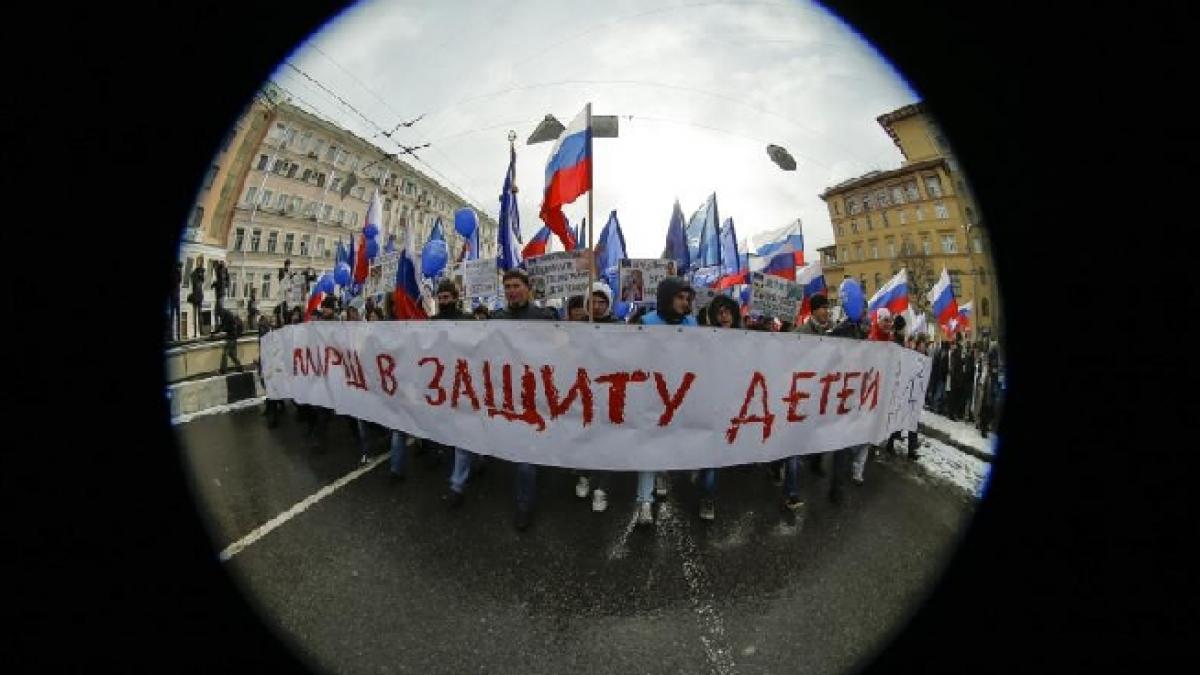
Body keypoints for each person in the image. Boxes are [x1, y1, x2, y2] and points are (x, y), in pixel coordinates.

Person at [476, 270, 557, 531]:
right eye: (508, 286)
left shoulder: (544, 318)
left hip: (536, 395)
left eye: (516, 286)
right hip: (507, 395)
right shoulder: (497, 318)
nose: (512, 290)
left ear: (528, 288)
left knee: (525, 457)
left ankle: (524, 508)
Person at [630, 276, 697, 525]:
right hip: (651, 393)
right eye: (679, 297)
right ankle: (644, 501)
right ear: (666, 298)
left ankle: (661, 473)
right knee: (648, 444)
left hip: (680, 394)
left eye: (687, 298)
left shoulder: (692, 323)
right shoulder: (646, 322)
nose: (684, 302)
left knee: (668, 441)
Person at [571, 282, 620, 513]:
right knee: (584, 436)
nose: (598, 306)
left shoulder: (619, 327)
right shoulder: (576, 327)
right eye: (594, 302)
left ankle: (602, 488)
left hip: (609, 393)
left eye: (602, 302)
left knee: (607, 442)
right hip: (582, 392)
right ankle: (584, 475)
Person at [825, 304, 869, 505]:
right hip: (840, 393)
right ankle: (836, 488)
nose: (865, 314)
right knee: (841, 444)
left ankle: (839, 484)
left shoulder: (861, 332)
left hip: (854, 393)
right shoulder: (842, 331)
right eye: (863, 310)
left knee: (848, 441)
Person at [216, 307, 244, 375]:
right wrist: (216, 331)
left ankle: (223, 371)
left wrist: (219, 331)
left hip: (231, 338)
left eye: (219, 315)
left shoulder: (228, 317)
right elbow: (222, 325)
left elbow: (226, 327)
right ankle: (239, 367)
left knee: (225, 354)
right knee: (232, 355)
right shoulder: (227, 315)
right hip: (233, 337)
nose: (219, 316)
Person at [188, 258, 206, 337]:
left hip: (199, 295)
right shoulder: (194, 274)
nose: (200, 264)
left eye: (201, 262)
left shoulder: (200, 273)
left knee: (199, 314)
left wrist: (201, 272)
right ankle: (196, 332)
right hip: (196, 296)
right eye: (199, 262)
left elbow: (202, 280)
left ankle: (200, 331)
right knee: (195, 314)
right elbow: (193, 281)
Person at [168, 261, 183, 342]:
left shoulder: (176, 273)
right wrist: (179, 271)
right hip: (175, 297)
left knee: (175, 316)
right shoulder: (175, 273)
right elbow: (178, 280)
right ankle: (175, 335)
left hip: (175, 296)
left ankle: (177, 335)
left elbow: (179, 280)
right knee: (174, 316)